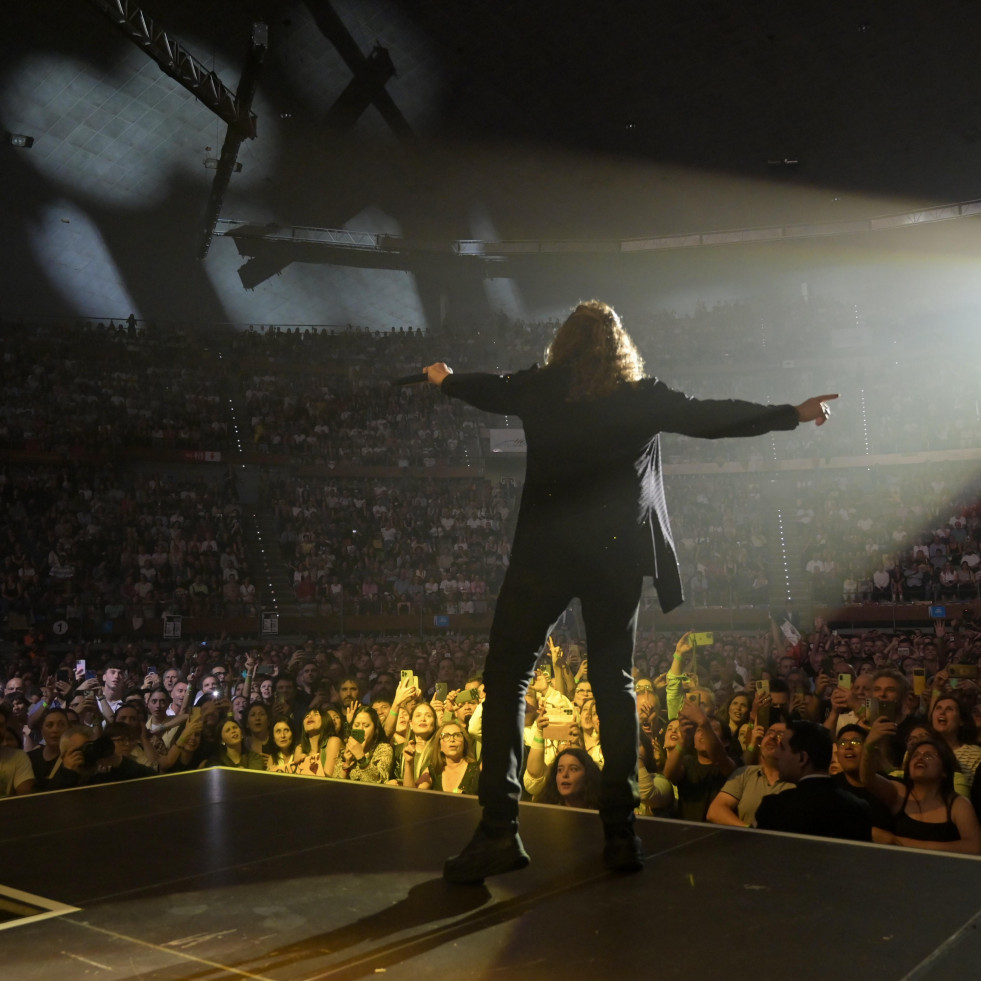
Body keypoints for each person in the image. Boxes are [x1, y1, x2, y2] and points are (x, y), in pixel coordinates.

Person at [424, 299, 837, 884]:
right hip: (614, 557)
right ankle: (619, 832)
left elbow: (485, 388)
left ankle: (497, 830)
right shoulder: (641, 397)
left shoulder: (540, 388)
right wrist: (790, 414)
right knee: (612, 684)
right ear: (619, 349)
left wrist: (443, 380)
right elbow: (710, 417)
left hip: (543, 554)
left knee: (508, 679)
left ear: (562, 346)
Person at [861, 724, 981, 854]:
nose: (920, 757)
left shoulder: (958, 804)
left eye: (928, 756)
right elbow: (868, 779)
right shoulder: (899, 793)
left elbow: (974, 847)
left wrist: (897, 842)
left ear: (944, 771)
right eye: (915, 755)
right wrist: (868, 745)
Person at [755, 720, 872, 842]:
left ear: (802, 758)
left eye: (782, 748)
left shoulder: (775, 808)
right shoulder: (858, 808)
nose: (777, 754)